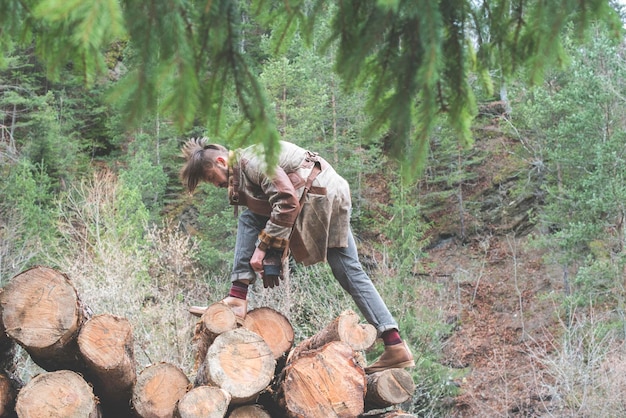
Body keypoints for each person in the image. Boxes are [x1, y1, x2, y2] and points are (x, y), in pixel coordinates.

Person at [180, 137, 414, 373]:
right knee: (349, 272)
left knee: (249, 219)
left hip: (319, 195)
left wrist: (262, 249)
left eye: (211, 178)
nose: (215, 184)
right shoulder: (245, 167)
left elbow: (287, 201)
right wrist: (272, 255)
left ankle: (237, 298)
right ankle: (394, 345)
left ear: (221, 161)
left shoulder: (252, 161)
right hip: (327, 192)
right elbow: (272, 207)